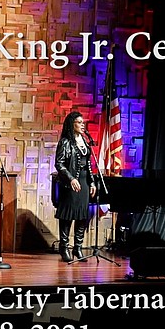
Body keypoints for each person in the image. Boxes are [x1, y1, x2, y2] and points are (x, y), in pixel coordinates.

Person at [54, 111, 96, 262]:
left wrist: (92, 182)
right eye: (79, 122)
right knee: (68, 216)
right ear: (71, 124)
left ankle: (78, 247)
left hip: (84, 182)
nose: (82, 124)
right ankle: (64, 246)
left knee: (82, 215)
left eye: (83, 122)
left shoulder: (84, 141)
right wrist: (71, 178)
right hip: (70, 184)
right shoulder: (65, 142)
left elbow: (89, 165)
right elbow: (59, 163)